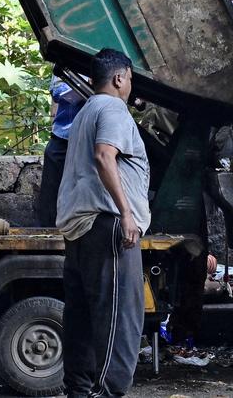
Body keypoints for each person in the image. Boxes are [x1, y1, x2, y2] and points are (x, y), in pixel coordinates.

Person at [56, 49, 150, 398]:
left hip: (80, 228)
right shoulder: (112, 108)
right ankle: (107, 394)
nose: (130, 85)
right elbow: (104, 154)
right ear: (119, 77)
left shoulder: (84, 112)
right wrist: (127, 212)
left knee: (80, 319)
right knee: (120, 320)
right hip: (108, 225)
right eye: (130, 78)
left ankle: (79, 392)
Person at [36, 72, 85, 227]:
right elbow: (57, 91)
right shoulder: (67, 57)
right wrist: (85, 86)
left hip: (95, 139)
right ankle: (47, 240)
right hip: (64, 136)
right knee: (51, 198)